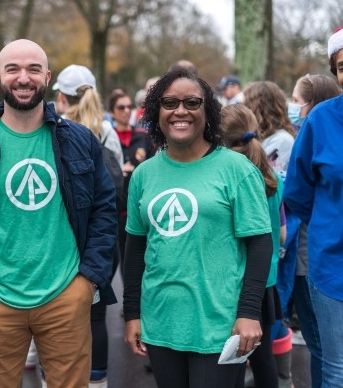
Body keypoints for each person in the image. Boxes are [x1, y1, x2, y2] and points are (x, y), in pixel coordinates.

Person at [0, 39, 117, 387]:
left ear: (47, 77)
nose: (23, 78)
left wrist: (88, 280)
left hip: (66, 296)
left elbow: (104, 212)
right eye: (13, 69)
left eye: (33, 69)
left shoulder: (79, 140)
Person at [123, 69, 273, 387]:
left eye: (192, 102)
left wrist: (249, 312)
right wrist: (132, 312)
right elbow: (135, 248)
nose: (180, 111)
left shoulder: (237, 170)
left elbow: (260, 245)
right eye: (169, 102)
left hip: (219, 326)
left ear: (208, 111)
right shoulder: (144, 175)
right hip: (161, 322)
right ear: (156, 112)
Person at [53, 64, 121, 387]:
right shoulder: (108, 132)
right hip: (104, 236)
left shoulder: (55, 129)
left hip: (66, 237)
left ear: (61, 98)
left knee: (56, 317)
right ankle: (97, 380)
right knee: (95, 314)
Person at [283, 27, 343, 388]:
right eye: (342, 65)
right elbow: (298, 193)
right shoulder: (320, 120)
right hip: (332, 266)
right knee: (336, 369)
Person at [221, 104, 285, 388]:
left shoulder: (233, 177)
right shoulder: (273, 178)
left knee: (231, 361)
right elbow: (281, 234)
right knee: (262, 357)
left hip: (238, 283)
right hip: (267, 282)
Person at [108, 91, 153, 273]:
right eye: (121, 107)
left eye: (129, 106)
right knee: (112, 263)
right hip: (114, 210)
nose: (126, 111)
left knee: (136, 264)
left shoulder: (143, 136)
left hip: (138, 209)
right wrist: (118, 170)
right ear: (111, 112)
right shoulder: (108, 138)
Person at [242, 81, 295, 174]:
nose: (243, 110)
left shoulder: (282, 140)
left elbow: (257, 175)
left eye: (245, 105)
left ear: (256, 108)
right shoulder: (259, 136)